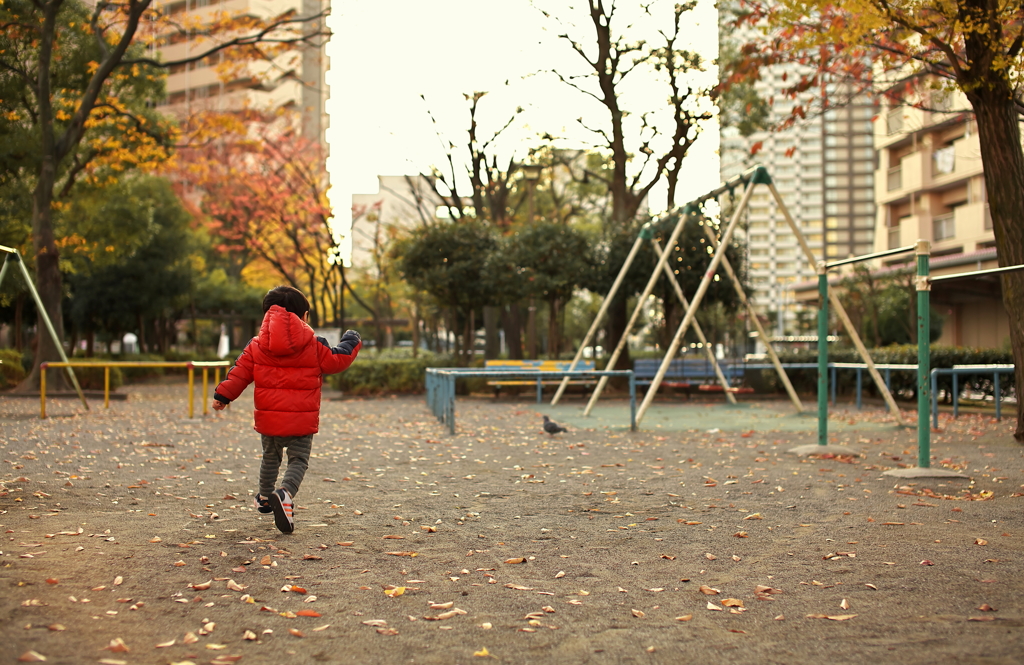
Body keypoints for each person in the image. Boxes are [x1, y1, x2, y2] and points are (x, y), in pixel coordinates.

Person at [212, 286, 361, 534]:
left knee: (270, 458)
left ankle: (264, 497)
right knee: (298, 460)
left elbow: (239, 374)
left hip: (269, 419)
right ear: (303, 316)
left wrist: (223, 396)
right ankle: (286, 492)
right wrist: (351, 339)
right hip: (301, 422)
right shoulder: (314, 345)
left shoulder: (256, 345)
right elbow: (337, 360)